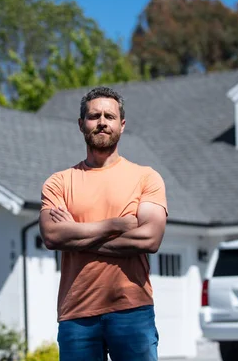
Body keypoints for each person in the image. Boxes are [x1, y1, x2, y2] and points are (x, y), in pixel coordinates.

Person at [39, 86, 168, 361]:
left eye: (109, 116)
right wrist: (116, 224)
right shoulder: (60, 182)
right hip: (77, 315)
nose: (101, 122)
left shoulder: (146, 177)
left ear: (122, 125)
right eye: (94, 116)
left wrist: (77, 236)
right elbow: (52, 236)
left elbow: (150, 239)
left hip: (133, 309)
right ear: (81, 124)